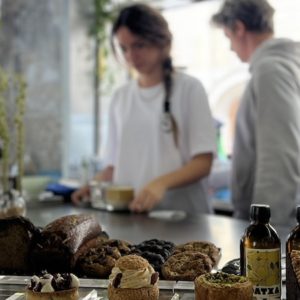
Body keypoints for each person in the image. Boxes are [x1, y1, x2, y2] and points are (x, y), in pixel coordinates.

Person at [72, 3, 217, 214]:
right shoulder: (120, 98)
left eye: (139, 45)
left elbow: (203, 163)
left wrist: (160, 183)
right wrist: (92, 186)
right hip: (137, 218)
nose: (131, 56)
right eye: (124, 48)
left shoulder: (190, 89)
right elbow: (113, 166)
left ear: (162, 42)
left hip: (184, 219)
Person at [211, 0, 300, 225]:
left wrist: (265, 233)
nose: (231, 47)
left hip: (277, 228)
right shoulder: (287, 65)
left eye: (228, 37)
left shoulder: (271, 71)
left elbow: (279, 159)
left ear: (239, 29)